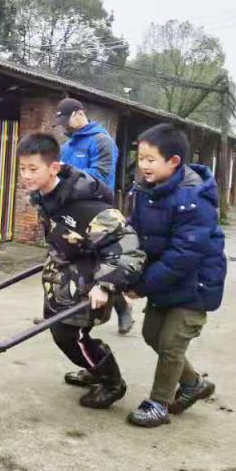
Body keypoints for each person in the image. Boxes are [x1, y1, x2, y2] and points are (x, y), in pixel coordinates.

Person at [19, 132, 144, 409]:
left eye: (33, 169)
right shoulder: (46, 197)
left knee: (69, 336)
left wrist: (106, 285)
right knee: (64, 333)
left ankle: (112, 381)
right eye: (23, 168)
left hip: (89, 282)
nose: (26, 175)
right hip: (63, 279)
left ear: (53, 168)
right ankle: (94, 369)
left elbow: (128, 249)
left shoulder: (89, 207)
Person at [127, 122, 225, 428]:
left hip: (195, 284)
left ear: (173, 162)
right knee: (151, 335)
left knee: (171, 344)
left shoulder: (195, 198)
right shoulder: (145, 190)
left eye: (150, 159)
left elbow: (183, 257)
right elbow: (135, 232)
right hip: (165, 280)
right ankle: (193, 383)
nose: (143, 165)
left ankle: (159, 403)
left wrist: (141, 286)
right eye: (141, 158)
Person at [53, 97, 134, 336]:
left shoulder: (102, 142)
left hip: (97, 213)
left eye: (66, 121)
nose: (64, 127)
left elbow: (100, 175)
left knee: (96, 265)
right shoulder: (68, 147)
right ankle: (60, 313)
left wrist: (65, 175)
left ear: (79, 114)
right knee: (67, 264)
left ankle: (123, 307)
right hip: (71, 212)